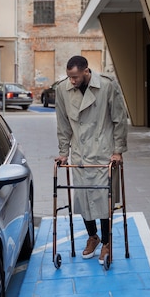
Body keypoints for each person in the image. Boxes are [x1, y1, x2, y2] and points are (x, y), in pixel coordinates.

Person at [55, 55, 128, 265]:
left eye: (75, 77)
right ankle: (93, 236)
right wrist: (63, 151)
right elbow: (63, 124)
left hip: (102, 152)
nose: (72, 81)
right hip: (79, 153)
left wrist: (118, 151)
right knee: (83, 198)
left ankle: (106, 242)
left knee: (102, 199)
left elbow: (119, 119)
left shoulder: (106, 86)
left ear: (86, 71)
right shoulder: (62, 90)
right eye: (69, 77)